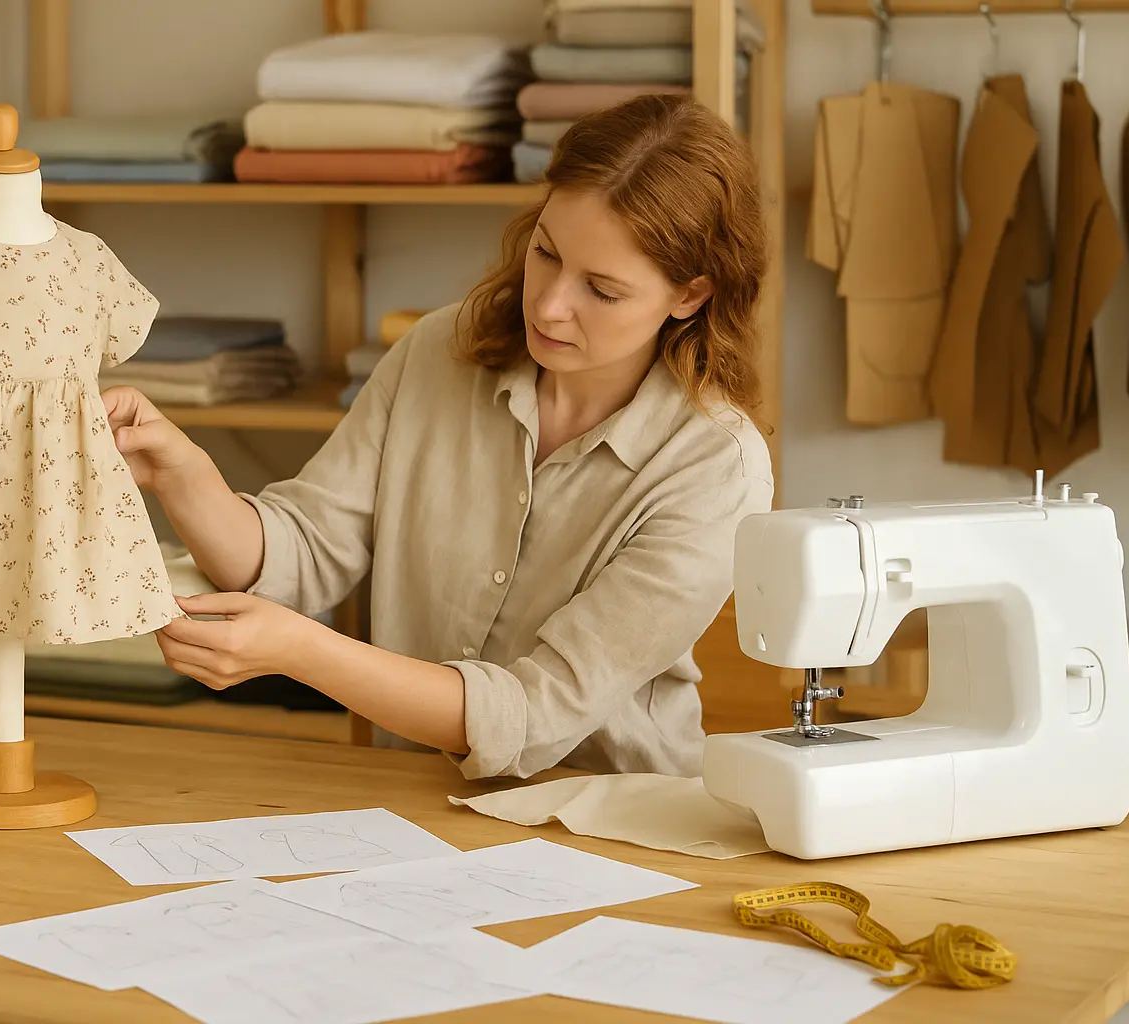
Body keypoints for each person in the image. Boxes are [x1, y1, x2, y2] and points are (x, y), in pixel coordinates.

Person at [102, 93, 774, 780]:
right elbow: (307, 551)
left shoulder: (716, 467)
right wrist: (185, 475)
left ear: (690, 295)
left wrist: (302, 652)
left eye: (602, 290)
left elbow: (533, 714)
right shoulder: (437, 352)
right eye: (546, 252)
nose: (548, 305)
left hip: (609, 822)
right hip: (412, 803)